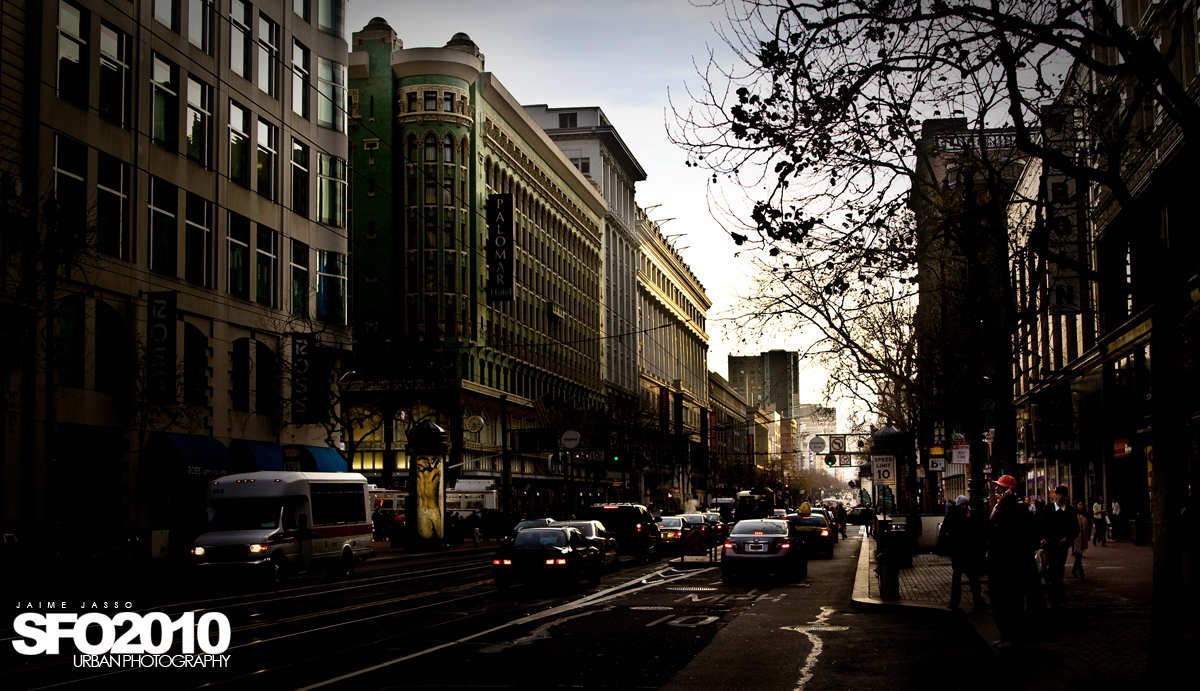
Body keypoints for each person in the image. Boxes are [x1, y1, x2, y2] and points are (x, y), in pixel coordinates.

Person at [987, 474, 1038, 651]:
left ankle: (1013, 637)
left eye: (1000, 488)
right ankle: (1005, 635)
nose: (997, 490)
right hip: (999, 564)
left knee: (1011, 603)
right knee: (1000, 602)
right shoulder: (1000, 508)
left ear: (1009, 490)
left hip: (1011, 566)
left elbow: (1013, 536)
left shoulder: (1018, 510)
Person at [942, 495, 985, 612]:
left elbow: (944, 532)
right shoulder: (965, 517)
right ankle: (977, 600)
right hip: (966, 550)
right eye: (963, 505)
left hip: (958, 551)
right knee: (971, 576)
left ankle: (955, 601)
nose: (965, 507)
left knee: (959, 576)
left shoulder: (952, 516)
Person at [1041, 485, 1079, 609]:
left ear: (1067, 496)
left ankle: (1056, 597)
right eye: (1059, 494)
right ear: (1055, 495)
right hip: (1051, 545)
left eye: (1064, 494)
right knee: (1053, 569)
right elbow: (1042, 526)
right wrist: (1043, 539)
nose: (1061, 496)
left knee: (1058, 569)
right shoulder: (1049, 509)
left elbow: (1075, 529)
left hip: (1062, 546)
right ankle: (1057, 597)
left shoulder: (1070, 511)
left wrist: (1067, 538)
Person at [1072, 500, 1089, 578]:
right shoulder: (1074, 515)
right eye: (1079, 505)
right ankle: (1080, 571)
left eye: (1082, 505)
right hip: (1076, 538)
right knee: (1078, 555)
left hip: (1083, 538)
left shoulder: (1085, 515)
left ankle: (1075, 570)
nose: (1081, 506)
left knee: (1079, 555)